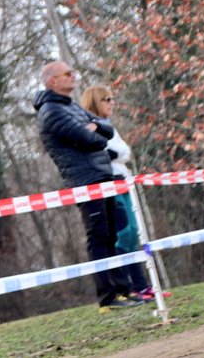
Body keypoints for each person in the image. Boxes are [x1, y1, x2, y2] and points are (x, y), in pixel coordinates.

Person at [33, 61, 140, 312]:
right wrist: (95, 131)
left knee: (113, 233)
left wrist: (97, 128)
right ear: (52, 81)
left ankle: (123, 290)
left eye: (73, 72)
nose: (74, 76)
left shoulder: (72, 106)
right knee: (99, 235)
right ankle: (107, 297)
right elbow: (89, 139)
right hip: (84, 179)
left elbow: (106, 128)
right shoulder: (51, 111)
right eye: (67, 74)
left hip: (104, 176)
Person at [81, 85, 155, 301]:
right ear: (95, 102)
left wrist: (118, 154)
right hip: (110, 181)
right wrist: (117, 154)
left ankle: (141, 285)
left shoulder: (109, 126)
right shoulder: (91, 128)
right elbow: (108, 153)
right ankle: (129, 286)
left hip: (124, 180)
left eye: (113, 98)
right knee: (122, 235)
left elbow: (124, 152)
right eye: (107, 99)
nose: (112, 102)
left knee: (133, 232)